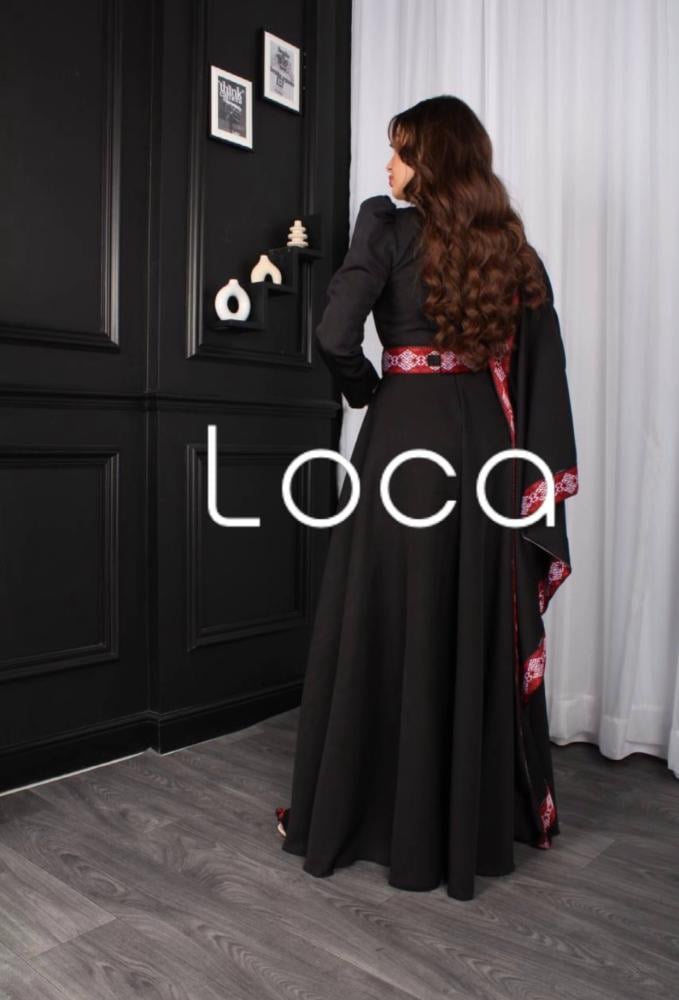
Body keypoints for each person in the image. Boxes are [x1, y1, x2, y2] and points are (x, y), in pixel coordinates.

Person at [274, 95, 578, 901]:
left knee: (384, 608)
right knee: (464, 610)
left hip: (404, 440)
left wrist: (366, 389)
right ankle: (463, 821)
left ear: (430, 161)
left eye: (401, 151)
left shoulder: (384, 228)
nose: (388, 165)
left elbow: (334, 335)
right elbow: (540, 370)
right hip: (485, 445)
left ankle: (368, 813)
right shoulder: (512, 251)